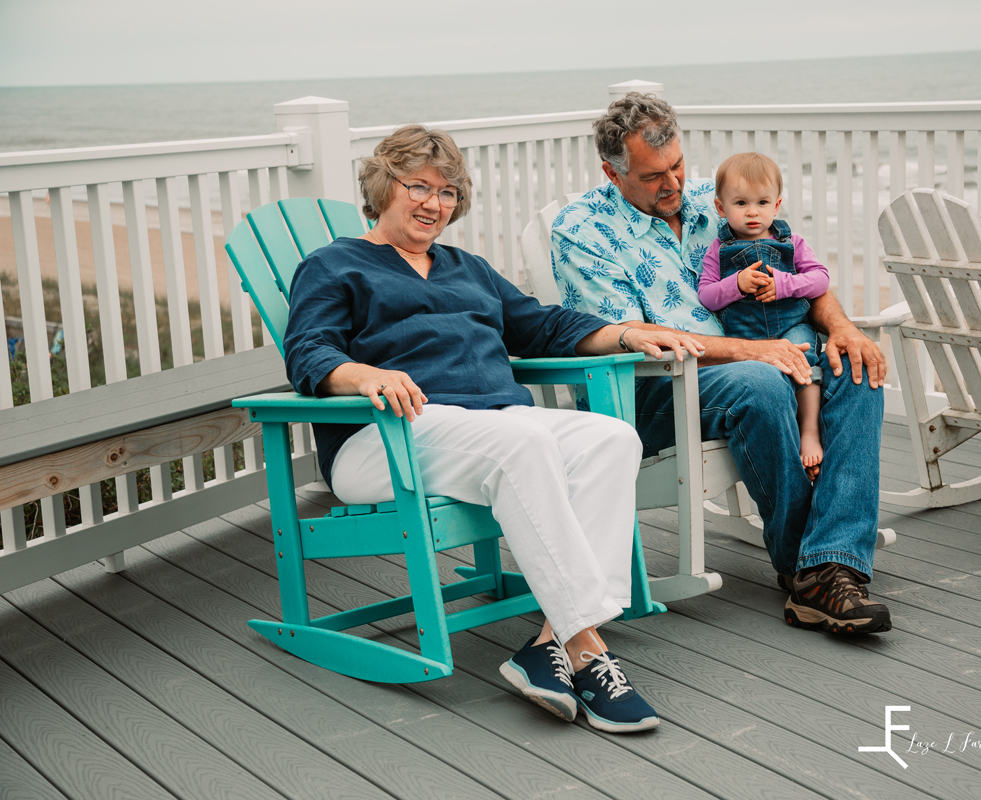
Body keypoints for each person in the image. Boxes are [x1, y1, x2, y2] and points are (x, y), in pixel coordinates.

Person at [284, 124, 703, 732]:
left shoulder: (467, 268)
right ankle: (588, 649)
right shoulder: (333, 265)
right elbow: (309, 352)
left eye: (449, 191)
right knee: (524, 442)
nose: (434, 203)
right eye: (419, 187)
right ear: (382, 188)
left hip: (488, 427)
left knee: (612, 438)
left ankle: (548, 644)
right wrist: (363, 375)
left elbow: (541, 326)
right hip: (384, 436)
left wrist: (628, 334)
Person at [552, 94, 892, 635]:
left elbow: (797, 270)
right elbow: (627, 340)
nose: (673, 184)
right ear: (612, 174)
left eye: (678, 166)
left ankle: (830, 567)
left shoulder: (719, 198)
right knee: (759, 381)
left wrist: (842, 326)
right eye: (652, 176)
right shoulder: (583, 231)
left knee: (855, 368)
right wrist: (748, 351)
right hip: (649, 388)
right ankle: (815, 567)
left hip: (761, 354)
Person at [698, 152, 829, 472]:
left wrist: (785, 285)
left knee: (804, 360)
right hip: (746, 336)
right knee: (763, 381)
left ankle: (809, 431)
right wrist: (737, 284)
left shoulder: (791, 242)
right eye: (740, 203)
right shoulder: (719, 249)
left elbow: (820, 279)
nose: (752, 212)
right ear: (721, 207)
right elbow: (706, 295)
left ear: (777, 205)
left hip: (790, 325)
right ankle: (783, 436)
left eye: (762, 203)